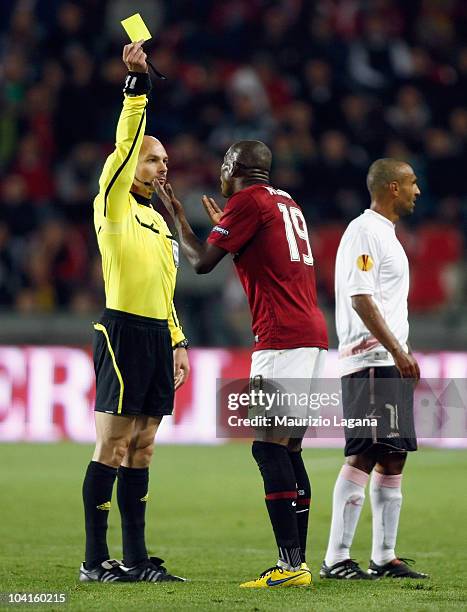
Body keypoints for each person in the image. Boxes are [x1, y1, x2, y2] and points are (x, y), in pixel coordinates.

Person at [154, 140, 328, 588]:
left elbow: (200, 264)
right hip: (311, 334)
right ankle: (297, 564)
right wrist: (231, 234)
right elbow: (267, 257)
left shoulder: (247, 201)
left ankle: (290, 567)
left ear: (233, 166)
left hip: (281, 338)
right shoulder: (286, 201)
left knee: (267, 447)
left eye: (222, 165)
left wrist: (177, 217)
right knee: (288, 448)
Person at [79, 41, 190, 583]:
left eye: (165, 160)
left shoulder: (160, 221)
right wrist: (137, 86)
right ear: (128, 165)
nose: (160, 164)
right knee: (114, 442)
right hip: (121, 329)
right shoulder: (115, 200)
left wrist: (178, 340)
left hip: (154, 334)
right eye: (152, 157)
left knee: (143, 447)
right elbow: (126, 142)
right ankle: (94, 562)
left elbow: (166, 291)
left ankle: (138, 559)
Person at [320, 158, 428, 580]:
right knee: (364, 452)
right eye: (412, 183)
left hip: (387, 360)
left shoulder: (386, 234)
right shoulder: (364, 231)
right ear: (393, 188)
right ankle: (336, 558)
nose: (418, 190)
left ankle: (384, 556)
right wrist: (398, 351)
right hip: (371, 360)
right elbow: (361, 298)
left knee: (393, 455)